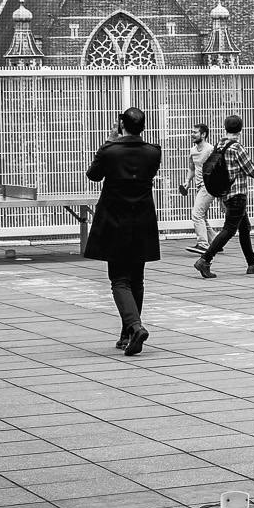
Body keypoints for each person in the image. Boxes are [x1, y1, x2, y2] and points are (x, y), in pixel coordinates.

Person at [85, 104, 162, 356]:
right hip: (142, 220)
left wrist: (109, 140)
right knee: (137, 279)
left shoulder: (110, 150)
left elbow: (93, 175)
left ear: (121, 125)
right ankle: (126, 333)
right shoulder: (153, 152)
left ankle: (136, 327)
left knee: (119, 280)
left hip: (115, 220)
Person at [195, 113, 254, 278]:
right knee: (229, 229)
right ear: (240, 129)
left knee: (244, 228)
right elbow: (250, 169)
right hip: (237, 194)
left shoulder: (220, 145)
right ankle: (205, 259)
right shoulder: (237, 147)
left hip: (225, 193)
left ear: (225, 128)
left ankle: (253, 263)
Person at [180, 123, 218, 257]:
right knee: (202, 216)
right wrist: (187, 181)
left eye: (195, 132)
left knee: (196, 214)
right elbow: (192, 168)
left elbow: (217, 170)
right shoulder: (193, 150)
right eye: (192, 132)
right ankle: (215, 243)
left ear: (203, 134)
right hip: (199, 186)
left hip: (208, 187)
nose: (192, 134)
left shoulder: (210, 150)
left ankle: (203, 244)